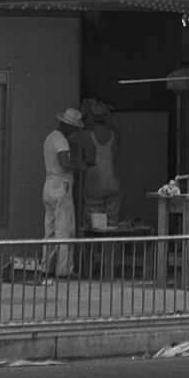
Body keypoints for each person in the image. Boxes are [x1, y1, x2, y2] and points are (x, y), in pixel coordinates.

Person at [42, 107, 83, 274]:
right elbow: (65, 164)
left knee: (50, 230)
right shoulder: (61, 141)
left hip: (49, 184)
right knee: (65, 230)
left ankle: (47, 267)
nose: (73, 131)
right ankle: (64, 270)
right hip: (62, 186)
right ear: (68, 125)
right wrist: (79, 166)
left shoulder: (49, 138)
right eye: (73, 127)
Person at [74, 98, 122, 226]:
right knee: (112, 224)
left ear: (90, 118)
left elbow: (70, 135)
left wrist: (81, 115)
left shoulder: (87, 136)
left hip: (95, 184)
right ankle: (111, 246)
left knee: (94, 227)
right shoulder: (114, 135)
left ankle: (94, 246)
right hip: (112, 182)